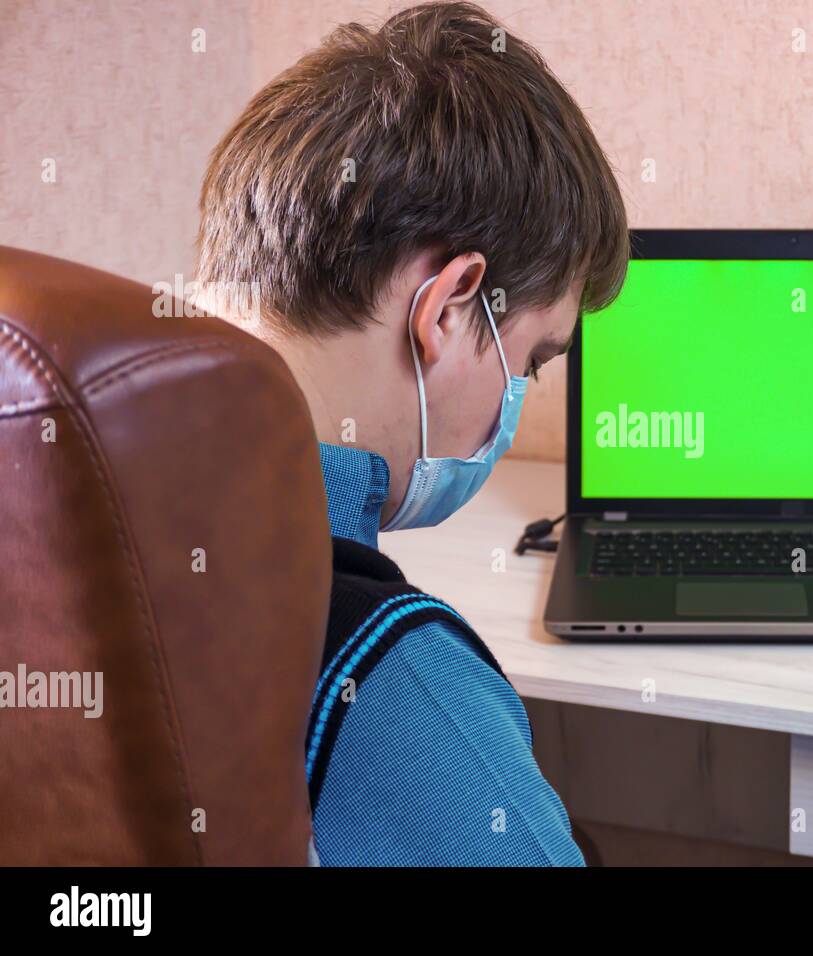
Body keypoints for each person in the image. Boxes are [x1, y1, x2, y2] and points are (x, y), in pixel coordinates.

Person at [195, 1, 628, 865]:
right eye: (534, 359)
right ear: (448, 306)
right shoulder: (393, 679)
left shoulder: (66, 507)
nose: (519, 397)